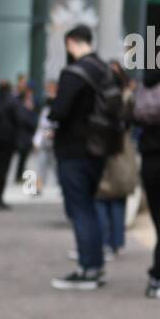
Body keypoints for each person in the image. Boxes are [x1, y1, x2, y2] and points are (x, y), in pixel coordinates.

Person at [49, 24, 122, 290]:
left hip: (73, 148)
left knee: (79, 209)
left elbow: (59, 111)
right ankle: (95, 264)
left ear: (71, 42)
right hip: (99, 149)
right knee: (90, 207)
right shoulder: (106, 70)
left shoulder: (73, 73)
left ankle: (87, 268)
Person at [94, 64, 137, 259]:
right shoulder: (128, 98)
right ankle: (115, 242)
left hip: (108, 149)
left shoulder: (105, 97)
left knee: (102, 196)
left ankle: (105, 242)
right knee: (118, 197)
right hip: (123, 151)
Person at [133, 66, 160, 298]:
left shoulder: (146, 85)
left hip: (151, 159)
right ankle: (159, 275)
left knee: (158, 219)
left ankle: (157, 276)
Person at [0, 79, 18, 209]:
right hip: (7, 138)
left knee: (0, 168)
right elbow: (18, 118)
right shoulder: (12, 100)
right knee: (2, 168)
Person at [32, 80, 59, 194]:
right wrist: (36, 140)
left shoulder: (60, 104)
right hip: (44, 139)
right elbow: (41, 126)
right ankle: (38, 187)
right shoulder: (45, 110)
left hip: (56, 139)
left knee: (56, 166)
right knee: (41, 164)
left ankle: (62, 187)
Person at [12, 84, 38, 185]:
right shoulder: (22, 108)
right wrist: (29, 110)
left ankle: (20, 175)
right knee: (22, 158)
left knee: (23, 159)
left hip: (25, 136)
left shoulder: (26, 106)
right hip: (23, 137)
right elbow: (28, 122)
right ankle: (19, 176)